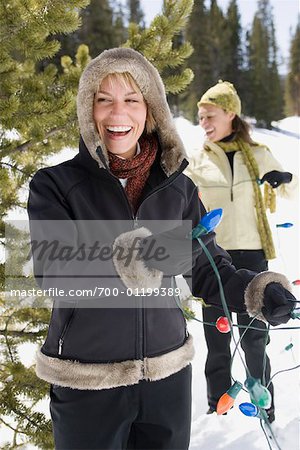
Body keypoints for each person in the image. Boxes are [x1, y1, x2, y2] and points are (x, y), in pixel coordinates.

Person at [27, 50, 296, 450]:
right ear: (89, 109)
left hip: (166, 378)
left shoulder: (179, 189)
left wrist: (255, 291)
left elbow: (208, 268)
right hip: (89, 380)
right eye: (104, 99)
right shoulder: (55, 185)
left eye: (132, 99)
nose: (118, 112)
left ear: (150, 110)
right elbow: (54, 269)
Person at [185, 80, 298, 423]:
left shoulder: (260, 154)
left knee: (254, 341)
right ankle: (216, 409)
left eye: (209, 116)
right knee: (216, 342)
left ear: (230, 113)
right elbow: (180, 201)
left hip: (251, 256)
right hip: (210, 260)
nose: (203, 123)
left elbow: (293, 191)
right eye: (200, 117)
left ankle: (266, 408)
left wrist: (284, 178)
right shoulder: (196, 159)